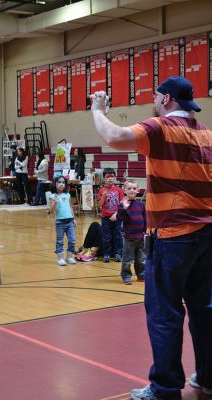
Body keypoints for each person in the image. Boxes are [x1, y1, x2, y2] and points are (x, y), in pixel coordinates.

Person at [91, 76, 212, 399]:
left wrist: (97, 109)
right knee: (204, 310)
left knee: (164, 313)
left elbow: (114, 136)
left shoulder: (160, 128)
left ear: (167, 100)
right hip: (207, 235)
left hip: (172, 236)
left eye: (157, 96)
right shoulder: (206, 134)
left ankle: (165, 387)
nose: (154, 102)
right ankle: (209, 376)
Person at [113, 179, 146, 284]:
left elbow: (145, 219)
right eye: (129, 188)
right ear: (124, 190)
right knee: (127, 259)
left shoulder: (141, 205)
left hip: (140, 237)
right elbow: (119, 218)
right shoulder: (122, 205)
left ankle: (141, 275)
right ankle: (126, 276)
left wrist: (146, 232)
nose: (132, 190)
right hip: (129, 238)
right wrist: (124, 208)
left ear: (138, 190)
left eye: (134, 188)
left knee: (141, 259)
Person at [97, 168, 123, 263]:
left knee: (118, 236)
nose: (110, 179)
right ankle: (107, 254)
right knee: (106, 236)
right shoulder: (101, 190)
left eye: (112, 176)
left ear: (115, 178)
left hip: (117, 217)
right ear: (104, 179)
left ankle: (118, 253)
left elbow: (122, 204)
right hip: (105, 218)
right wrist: (103, 196)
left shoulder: (119, 190)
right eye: (108, 177)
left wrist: (116, 214)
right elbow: (99, 205)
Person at [49, 176, 76, 266]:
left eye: (63, 182)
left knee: (72, 239)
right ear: (55, 183)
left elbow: (70, 207)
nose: (61, 184)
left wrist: (73, 218)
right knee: (60, 240)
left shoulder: (67, 195)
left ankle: (69, 256)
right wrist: (55, 203)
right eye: (59, 182)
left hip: (70, 221)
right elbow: (51, 211)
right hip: (60, 222)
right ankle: (60, 257)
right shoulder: (53, 196)